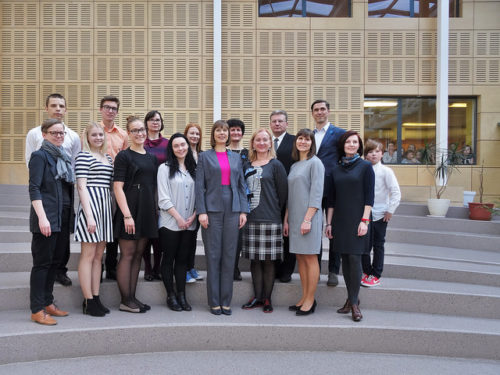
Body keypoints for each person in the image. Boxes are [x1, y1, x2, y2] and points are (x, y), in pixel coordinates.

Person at [25, 93, 80, 287]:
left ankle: (60, 270)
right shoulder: (34, 134)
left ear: (66, 110)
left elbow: (74, 163)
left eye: (61, 106)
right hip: (46, 188)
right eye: (54, 105)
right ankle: (45, 274)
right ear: (46, 108)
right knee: (45, 241)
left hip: (65, 189)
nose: (58, 109)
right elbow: (31, 162)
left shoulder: (72, 136)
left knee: (63, 236)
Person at [195, 120, 248, 316]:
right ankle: (214, 301)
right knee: (214, 256)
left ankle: (226, 301)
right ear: (213, 134)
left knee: (229, 256)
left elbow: (242, 186)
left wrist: (243, 211)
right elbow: (199, 186)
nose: (222, 133)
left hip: (233, 209)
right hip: (212, 209)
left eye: (225, 130)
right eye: (218, 130)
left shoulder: (235, 157)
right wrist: (201, 211)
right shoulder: (204, 157)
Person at [28, 118, 75, 325]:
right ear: (44, 134)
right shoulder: (40, 156)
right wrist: (42, 218)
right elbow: (34, 188)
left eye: (62, 133)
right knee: (42, 265)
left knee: (54, 264)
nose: (59, 136)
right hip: (46, 219)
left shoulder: (63, 157)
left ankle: (48, 302)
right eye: (54, 132)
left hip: (61, 219)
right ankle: (37, 309)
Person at [326, 130, 374, 322]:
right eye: (348, 142)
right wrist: (328, 223)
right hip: (340, 221)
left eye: (355, 142)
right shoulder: (335, 170)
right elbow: (331, 199)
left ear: (359, 146)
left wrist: (365, 221)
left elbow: (370, 197)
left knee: (354, 260)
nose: (352, 145)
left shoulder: (365, 167)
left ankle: (354, 304)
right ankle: (350, 299)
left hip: (357, 220)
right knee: (345, 261)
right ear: (342, 145)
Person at [113, 116, 158, 313]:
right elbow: (117, 187)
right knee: (128, 254)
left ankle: (132, 297)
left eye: (142, 130)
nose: (140, 133)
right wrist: (127, 215)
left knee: (140, 254)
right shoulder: (124, 156)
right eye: (135, 130)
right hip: (130, 209)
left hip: (147, 209)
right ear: (128, 133)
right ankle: (125, 300)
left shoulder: (151, 157)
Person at [241, 129, 288, 313]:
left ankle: (267, 299)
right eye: (258, 140)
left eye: (265, 140)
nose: (261, 143)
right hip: (251, 218)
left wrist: (280, 216)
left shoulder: (276, 165)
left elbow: (283, 195)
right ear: (253, 143)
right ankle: (257, 297)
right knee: (255, 261)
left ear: (270, 143)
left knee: (268, 261)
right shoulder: (246, 165)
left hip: (270, 218)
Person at [74, 122, 114, 316]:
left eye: (101, 134)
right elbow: (81, 186)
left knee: (99, 257)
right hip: (91, 208)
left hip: (105, 209)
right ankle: (88, 300)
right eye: (94, 135)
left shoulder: (107, 157)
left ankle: (96, 297)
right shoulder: (83, 156)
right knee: (88, 256)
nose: (98, 137)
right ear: (87, 137)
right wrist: (89, 216)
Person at [284, 129, 324, 316]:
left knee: (310, 258)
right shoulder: (294, 166)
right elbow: (291, 196)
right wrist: (287, 220)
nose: (303, 142)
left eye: (307, 139)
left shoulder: (315, 163)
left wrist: (307, 219)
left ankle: (311, 299)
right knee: (300, 258)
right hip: (294, 218)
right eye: (300, 138)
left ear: (312, 143)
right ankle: (304, 296)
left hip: (309, 218)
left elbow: (317, 194)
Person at [157, 133, 197, 312]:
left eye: (183, 144)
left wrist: (194, 216)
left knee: (182, 261)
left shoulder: (194, 168)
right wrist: (179, 218)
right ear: (171, 150)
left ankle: (182, 295)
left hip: (190, 223)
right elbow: (163, 199)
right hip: (170, 223)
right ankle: (171, 295)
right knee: (169, 259)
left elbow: (201, 195)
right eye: (176, 146)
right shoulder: (164, 169)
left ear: (188, 146)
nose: (181, 148)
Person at [310, 99, 346, 287]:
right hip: (313, 189)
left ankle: (333, 270)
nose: (320, 112)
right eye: (316, 110)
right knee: (315, 231)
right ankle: (314, 268)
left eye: (323, 109)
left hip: (333, 189)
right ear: (312, 113)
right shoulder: (308, 135)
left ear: (329, 111)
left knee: (334, 231)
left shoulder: (340, 134)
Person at [361, 140, 401, 287]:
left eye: (377, 151)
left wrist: (390, 210)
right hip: (364, 214)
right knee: (364, 245)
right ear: (365, 155)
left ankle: (376, 274)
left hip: (380, 214)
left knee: (378, 245)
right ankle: (366, 271)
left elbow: (396, 192)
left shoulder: (386, 171)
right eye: (370, 152)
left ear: (382, 154)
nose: (373, 154)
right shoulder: (362, 169)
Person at [99, 95, 128, 281]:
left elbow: (125, 159)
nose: (110, 111)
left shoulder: (123, 135)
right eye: (107, 107)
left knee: (114, 224)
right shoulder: (93, 130)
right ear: (101, 109)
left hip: (116, 183)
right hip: (98, 183)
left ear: (117, 111)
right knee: (101, 225)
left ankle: (111, 265)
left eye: (114, 108)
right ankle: (97, 266)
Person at [269, 110, 296, 283]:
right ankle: (274, 268)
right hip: (270, 195)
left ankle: (286, 270)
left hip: (290, 193)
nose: (277, 124)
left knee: (287, 234)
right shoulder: (266, 142)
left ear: (286, 124)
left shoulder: (294, 141)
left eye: (280, 121)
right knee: (274, 233)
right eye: (274, 121)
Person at [142, 110, 169, 282]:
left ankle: (158, 266)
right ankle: (147, 267)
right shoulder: (141, 143)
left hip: (163, 191)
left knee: (159, 232)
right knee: (146, 232)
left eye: (158, 120)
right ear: (146, 123)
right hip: (144, 191)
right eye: (151, 120)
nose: (155, 122)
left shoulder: (168, 144)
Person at [227, 118, 248, 281]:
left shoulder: (249, 153)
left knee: (239, 237)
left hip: (243, 198)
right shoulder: (222, 152)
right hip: (225, 198)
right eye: (232, 129)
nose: (235, 132)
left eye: (238, 130)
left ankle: (234, 267)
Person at [183, 123, 204, 283]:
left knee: (192, 237)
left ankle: (191, 267)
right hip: (184, 198)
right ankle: (183, 269)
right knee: (184, 238)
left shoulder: (202, 155)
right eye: (192, 133)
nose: (194, 136)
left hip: (199, 200)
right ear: (186, 134)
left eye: (197, 134)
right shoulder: (182, 153)